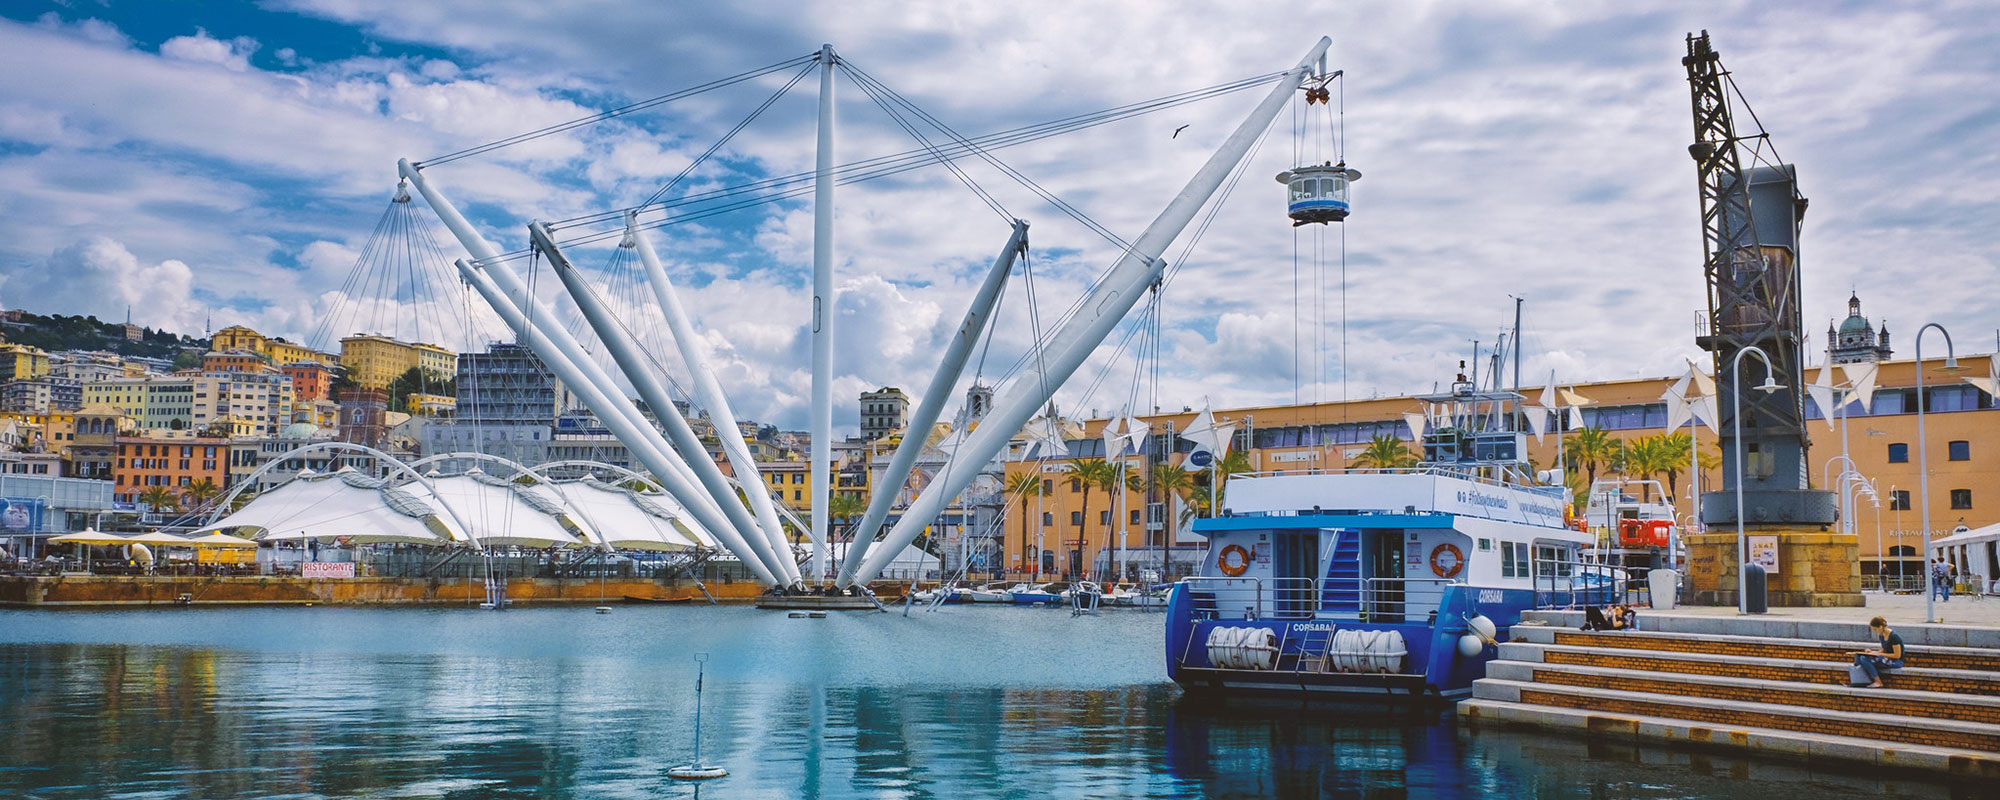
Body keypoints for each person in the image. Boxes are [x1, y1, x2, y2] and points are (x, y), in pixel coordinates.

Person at [1850, 616, 1905, 689]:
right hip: (1886, 658)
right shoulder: (1882, 636)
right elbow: (1883, 650)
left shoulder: (1894, 637)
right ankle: (1862, 680)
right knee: (1859, 657)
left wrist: (1879, 654)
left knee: (1864, 659)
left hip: (1896, 661)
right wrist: (1872, 652)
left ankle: (1878, 682)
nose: (1875, 632)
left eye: (1875, 629)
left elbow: (1897, 655)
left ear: (1881, 627)